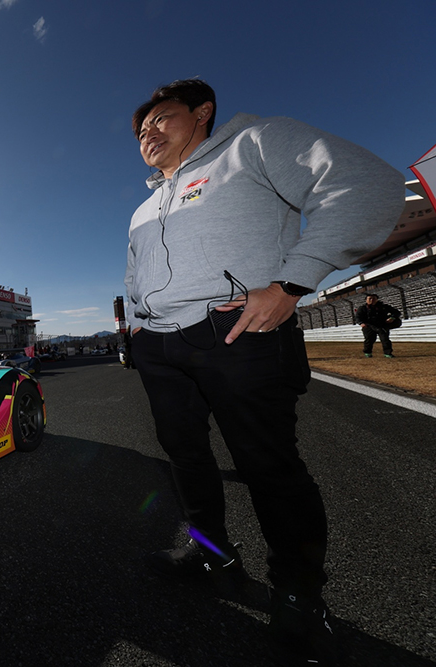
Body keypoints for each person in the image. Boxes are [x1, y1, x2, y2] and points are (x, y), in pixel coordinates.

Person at [124, 79, 405, 664]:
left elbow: (367, 184)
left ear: (203, 112)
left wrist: (292, 282)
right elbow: (134, 274)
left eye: (162, 118)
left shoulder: (252, 142)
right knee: (185, 457)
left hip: (238, 330)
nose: (148, 133)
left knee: (269, 466)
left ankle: (298, 595)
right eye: (141, 130)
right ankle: (212, 555)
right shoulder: (143, 209)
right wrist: (137, 327)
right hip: (159, 345)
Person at [355, 294, 400, 358]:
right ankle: (367, 352)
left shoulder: (383, 306)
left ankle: (387, 353)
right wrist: (361, 323)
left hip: (382, 325)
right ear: (366, 300)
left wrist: (392, 318)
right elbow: (358, 317)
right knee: (369, 339)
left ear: (377, 299)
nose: (372, 300)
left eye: (374, 298)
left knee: (385, 339)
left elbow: (396, 312)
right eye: (370, 299)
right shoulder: (362, 308)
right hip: (369, 325)